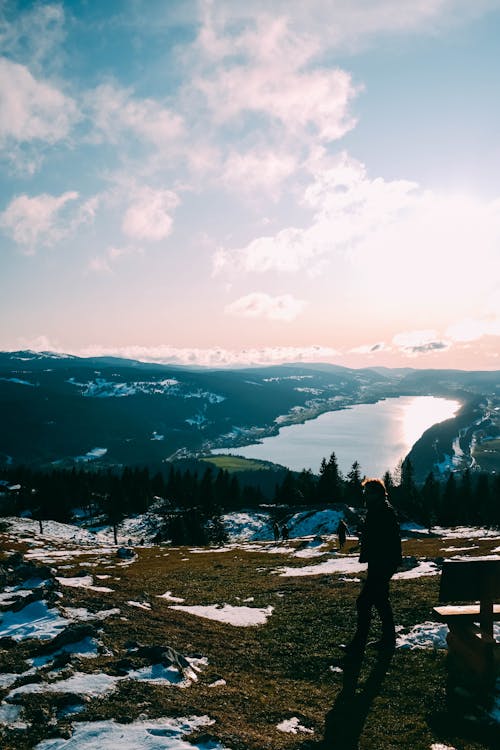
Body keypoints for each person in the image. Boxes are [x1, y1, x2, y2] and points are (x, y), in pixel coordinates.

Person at [341, 478, 402, 655]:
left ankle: (358, 645)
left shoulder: (382, 511)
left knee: (364, 602)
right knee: (381, 600)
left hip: (382, 563)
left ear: (376, 493)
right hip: (383, 562)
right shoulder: (381, 509)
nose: (364, 495)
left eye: (367, 492)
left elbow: (383, 539)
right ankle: (388, 640)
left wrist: (367, 535)